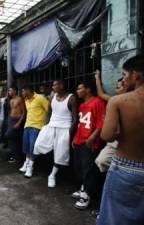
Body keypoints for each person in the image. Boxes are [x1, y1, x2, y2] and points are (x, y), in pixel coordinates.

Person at [97, 55, 144, 225]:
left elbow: (107, 136)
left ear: (137, 76)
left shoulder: (119, 101)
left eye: (125, 75)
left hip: (127, 170)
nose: (123, 79)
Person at [31, 80, 78, 187]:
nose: (53, 87)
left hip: (65, 128)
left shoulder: (71, 98)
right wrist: (45, 125)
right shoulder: (52, 97)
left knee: (60, 154)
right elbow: (49, 112)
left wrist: (69, 132)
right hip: (51, 126)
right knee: (38, 145)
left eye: (55, 85)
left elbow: (75, 119)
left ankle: (52, 175)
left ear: (61, 86)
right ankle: (30, 165)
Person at [72, 79, 106, 210]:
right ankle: (83, 188)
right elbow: (81, 124)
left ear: (88, 89)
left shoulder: (98, 102)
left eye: (80, 88)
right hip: (79, 140)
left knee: (89, 169)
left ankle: (86, 195)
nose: (77, 91)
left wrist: (93, 137)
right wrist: (75, 138)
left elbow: (101, 122)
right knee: (79, 167)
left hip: (90, 142)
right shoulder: (82, 105)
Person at [94, 70, 126, 172]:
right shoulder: (113, 99)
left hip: (128, 141)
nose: (116, 89)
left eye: (119, 86)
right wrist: (97, 78)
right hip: (114, 141)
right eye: (116, 86)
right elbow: (100, 93)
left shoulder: (133, 102)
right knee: (101, 161)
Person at [19, 85, 49, 178]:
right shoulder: (26, 100)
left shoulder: (40, 98)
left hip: (37, 126)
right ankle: (27, 163)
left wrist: (45, 125)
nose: (22, 93)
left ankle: (30, 167)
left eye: (23, 91)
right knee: (27, 146)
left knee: (32, 147)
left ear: (28, 90)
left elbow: (48, 110)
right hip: (27, 125)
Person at [5, 87, 25, 163]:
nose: (9, 91)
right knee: (12, 139)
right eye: (9, 90)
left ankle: (18, 157)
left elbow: (23, 112)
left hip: (17, 120)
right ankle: (15, 156)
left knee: (9, 135)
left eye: (10, 90)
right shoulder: (11, 100)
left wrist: (19, 123)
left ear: (15, 91)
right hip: (11, 119)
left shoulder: (19, 99)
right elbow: (11, 110)